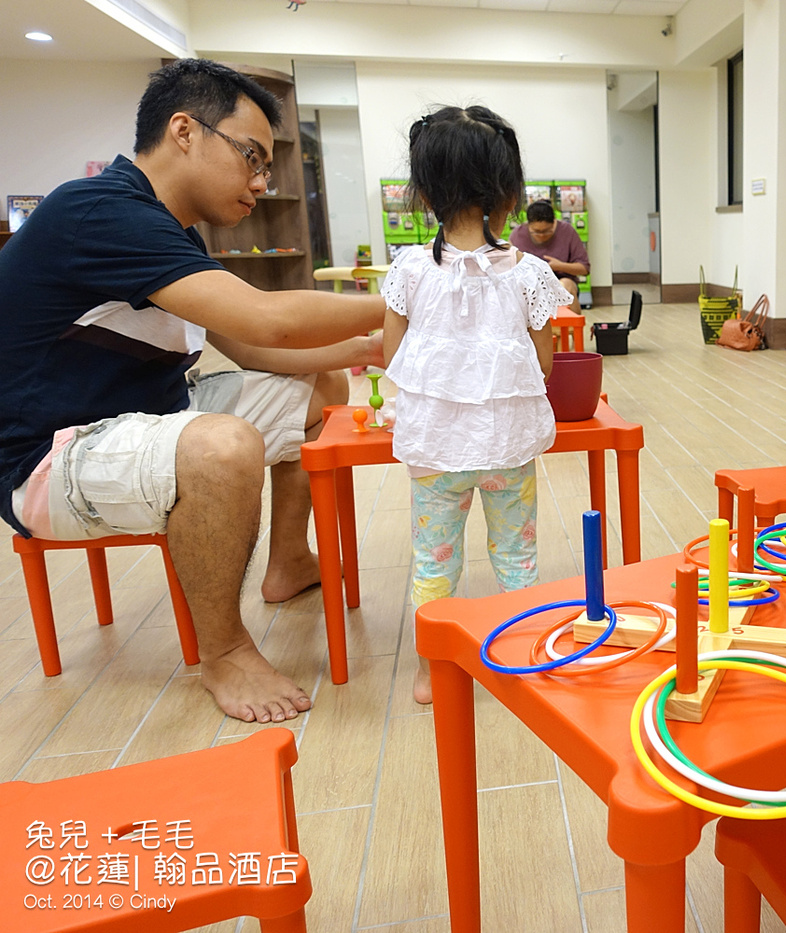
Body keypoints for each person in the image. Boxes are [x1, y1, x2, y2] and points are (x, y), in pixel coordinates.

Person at [0, 59, 386, 724]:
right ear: (184, 130)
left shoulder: (163, 227)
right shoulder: (100, 212)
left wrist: (358, 352)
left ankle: (288, 559)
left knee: (318, 381)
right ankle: (225, 651)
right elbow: (270, 320)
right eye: (251, 157)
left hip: (145, 419)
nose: (262, 182)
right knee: (223, 447)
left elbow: (253, 347)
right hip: (48, 457)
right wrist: (403, 300)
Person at [380, 106, 571, 705]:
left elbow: (393, 356)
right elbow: (542, 363)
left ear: (425, 190)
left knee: (434, 563)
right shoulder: (531, 274)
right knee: (516, 554)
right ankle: (524, 655)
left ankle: (433, 669)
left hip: (435, 451)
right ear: (509, 190)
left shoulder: (410, 268)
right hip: (508, 448)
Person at [508, 198, 589, 316]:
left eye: (547, 231)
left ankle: (570, 327)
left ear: (554, 223)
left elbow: (584, 268)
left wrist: (559, 266)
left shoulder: (567, 231)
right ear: (528, 225)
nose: (541, 235)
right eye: (536, 231)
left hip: (560, 281)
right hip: (529, 285)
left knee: (565, 285)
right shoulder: (518, 234)